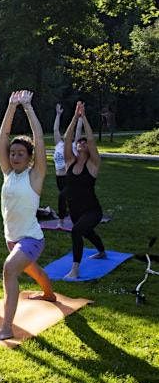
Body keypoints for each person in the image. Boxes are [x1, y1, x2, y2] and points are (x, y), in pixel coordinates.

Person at [0, 90, 55, 340]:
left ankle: (6, 327)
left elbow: (39, 140)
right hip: (12, 238)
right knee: (33, 270)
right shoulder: (8, 173)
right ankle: (49, 294)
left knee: (10, 270)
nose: (15, 156)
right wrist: (10, 106)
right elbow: (2, 137)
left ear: (30, 159)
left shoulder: (34, 176)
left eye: (20, 154)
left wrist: (27, 107)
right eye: (12, 153)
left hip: (31, 238)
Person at [62, 101, 106, 280]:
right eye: (79, 141)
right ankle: (102, 251)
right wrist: (74, 117)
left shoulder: (93, 165)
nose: (81, 142)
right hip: (75, 211)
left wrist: (84, 117)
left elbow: (91, 139)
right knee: (87, 232)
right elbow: (67, 138)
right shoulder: (69, 162)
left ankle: (75, 269)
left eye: (84, 142)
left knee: (77, 232)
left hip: (93, 211)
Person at [52, 103, 82, 221]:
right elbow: (55, 129)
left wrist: (79, 117)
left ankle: (61, 220)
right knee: (68, 198)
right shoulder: (59, 145)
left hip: (70, 177)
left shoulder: (75, 146)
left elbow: (79, 129)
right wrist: (58, 114)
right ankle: (77, 212)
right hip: (59, 177)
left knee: (62, 196)